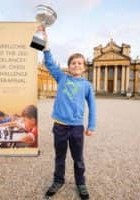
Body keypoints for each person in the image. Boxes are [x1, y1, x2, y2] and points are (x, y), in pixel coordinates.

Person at [41, 26, 96, 200]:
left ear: (84, 67)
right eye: (73, 63)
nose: (76, 65)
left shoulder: (87, 85)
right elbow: (49, 63)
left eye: (80, 63)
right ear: (69, 66)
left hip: (77, 128)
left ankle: (81, 183)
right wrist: (45, 42)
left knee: (78, 159)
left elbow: (92, 106)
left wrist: (91, 125)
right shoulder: (62, 77)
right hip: (60, 126)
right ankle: (58, 180)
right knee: (60, 157)